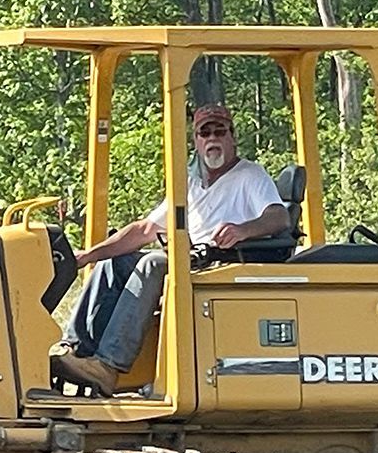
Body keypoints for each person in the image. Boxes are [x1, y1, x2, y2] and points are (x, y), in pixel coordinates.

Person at [54, 104, 290, 396]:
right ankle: (76, 350)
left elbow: (278, 217)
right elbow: (145, 230)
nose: (213, 138)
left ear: (232, 136)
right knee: (112, 264)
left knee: (153, 264)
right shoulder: (190, 185)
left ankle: (108, 366)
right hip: (190, 259)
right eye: (205, 132)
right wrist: (88, 255)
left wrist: (242, 230)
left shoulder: (250, 176)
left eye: (220, 131)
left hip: (222, 264)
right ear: (196, 140)